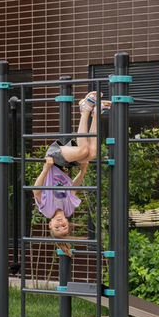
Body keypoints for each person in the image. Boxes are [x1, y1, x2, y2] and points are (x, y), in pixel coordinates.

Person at [34, 91, 108, 244]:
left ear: (50, 225)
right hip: (65, 165)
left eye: (57, 228)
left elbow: (36, 190)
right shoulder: (69, 209)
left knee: (83, 151)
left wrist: (46, 168)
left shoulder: (46, 210)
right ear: (68, 223)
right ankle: (96, 114)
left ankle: (85, 109)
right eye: (64, 227)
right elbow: (73, 188)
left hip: (53, 160)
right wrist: (83, 171)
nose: (60, 224)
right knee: (91, 153)